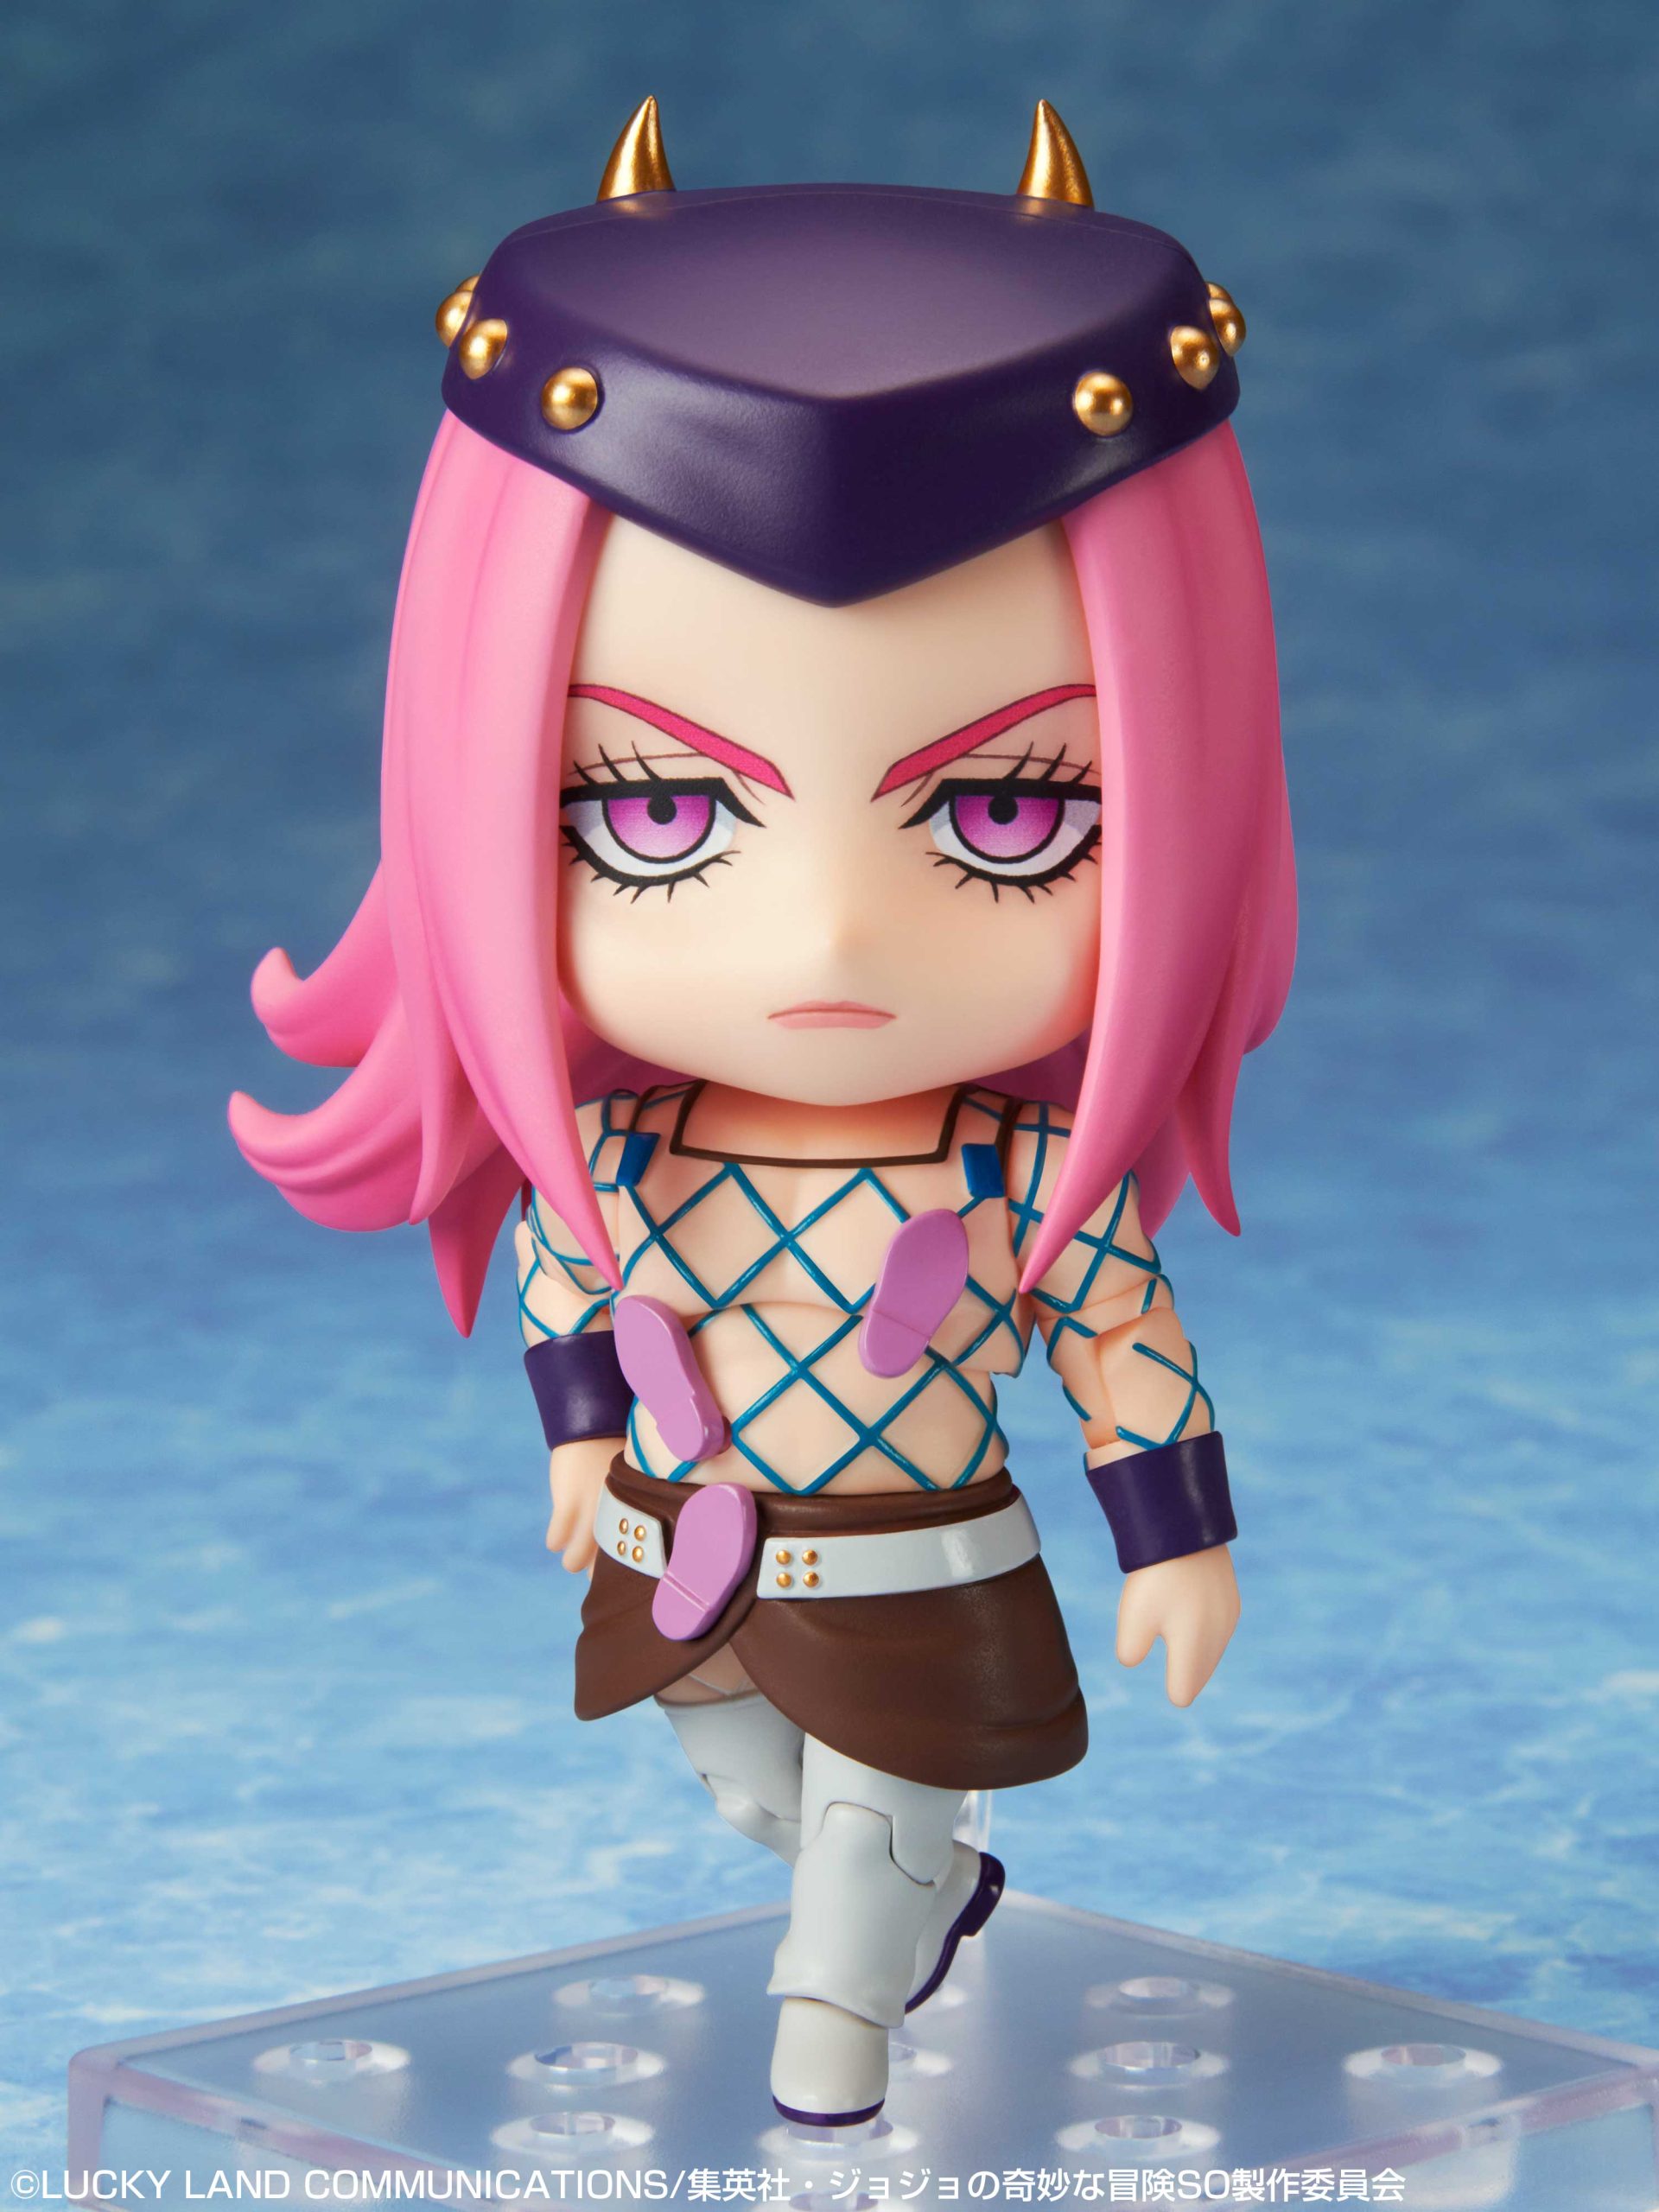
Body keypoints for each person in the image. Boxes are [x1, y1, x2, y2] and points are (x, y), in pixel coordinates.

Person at [232, 97, 1295, 2128]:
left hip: (921, 1556)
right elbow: (569, 1266)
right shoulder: (626, 1151)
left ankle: (838, 2063)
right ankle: (923, 1892)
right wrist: (580, 1436)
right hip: (684, 1553)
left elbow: (1123, 1338)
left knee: (851, 1886)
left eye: (1009, 816)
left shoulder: (1007, 1171)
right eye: (653, 813)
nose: (827, 933)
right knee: (746, 1791)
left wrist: (1178, 1540)